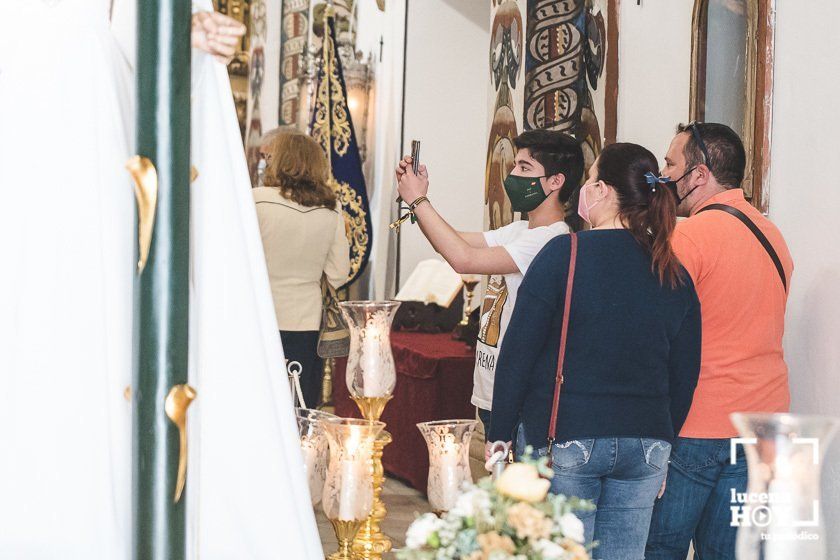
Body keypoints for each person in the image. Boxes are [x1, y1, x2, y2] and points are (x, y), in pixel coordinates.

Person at [0, 1, 323, 558]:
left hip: (73, 133)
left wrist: (177, 31)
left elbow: (125, 25)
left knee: (74, 331)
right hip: (35, 114)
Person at [488, 143, 702, 560]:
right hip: (647, 443)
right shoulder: (671, 270)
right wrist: (666, 441)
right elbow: (685, 370)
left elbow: (518, 354)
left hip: (570, 434)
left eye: (589, 181)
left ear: (603, 191)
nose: (585, 190)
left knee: (560, 552)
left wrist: (499, 434)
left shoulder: (564, 254)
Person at [646, 123, 794, 560]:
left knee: (658, 547)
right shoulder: (774, 236)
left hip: (699, 424)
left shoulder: (688, 236)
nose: (663, 175)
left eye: (671, 164)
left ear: (699, 175)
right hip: (764, 423)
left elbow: (657, 330)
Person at [395, 130, 584, 437]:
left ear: (555, 181)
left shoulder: (551, 239)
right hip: (492, 387)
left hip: (519, 395)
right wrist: (416, 199)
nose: (513, 175)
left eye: (525, 168)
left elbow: (464, 260)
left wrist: (418, 199)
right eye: (514, 166)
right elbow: (451, 243)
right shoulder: (520, 229)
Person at [253, 130, 351, 408]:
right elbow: (338, 274)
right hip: (305, 323)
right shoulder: (330, 210)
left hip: (259, 316)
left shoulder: (256, 200)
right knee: (300, 407)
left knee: (258, 403)